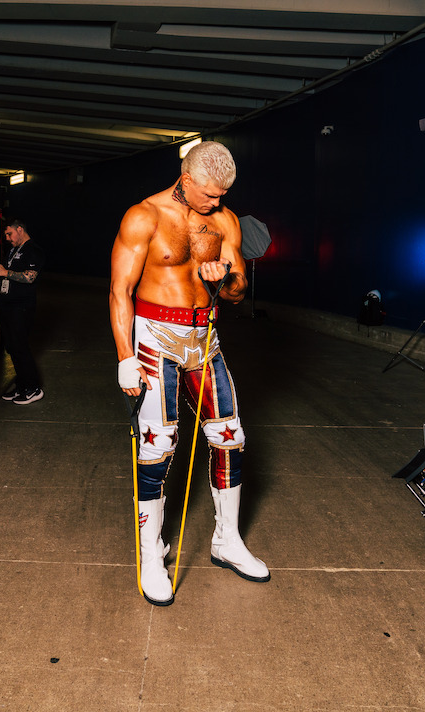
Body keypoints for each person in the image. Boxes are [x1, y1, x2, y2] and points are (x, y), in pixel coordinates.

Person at [109, 140, 268, 606]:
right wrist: (124, 357)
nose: (215, 203)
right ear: (186, 173)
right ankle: (151, 555)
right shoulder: (145, 216)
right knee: (158, 446)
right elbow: (120, 290)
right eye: (208, 194)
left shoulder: (225, 220)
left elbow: (238, 291)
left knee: (230, 436)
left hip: (206, 340)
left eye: (222, 196)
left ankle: (227, 541)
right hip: (154, 339)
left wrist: (224, 279)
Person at [0, 219, 45, 404]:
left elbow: (30, 277)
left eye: (9, 234)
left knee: (20, 347)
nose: (7, 238)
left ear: (20, 229)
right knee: (12, 347)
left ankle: (33, 388)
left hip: (22, 307)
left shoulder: (33, 250)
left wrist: (5, 273)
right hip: (8, 306)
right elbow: (8, 273)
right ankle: (21, 386)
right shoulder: (13, 250)